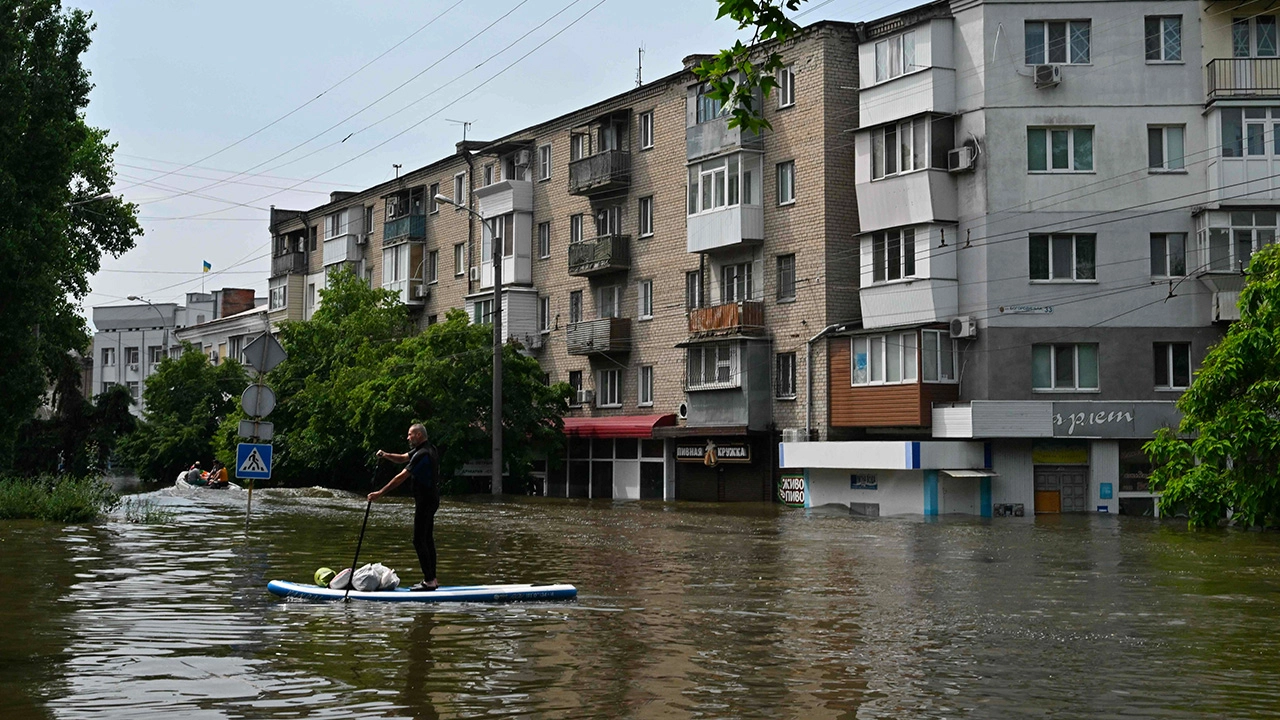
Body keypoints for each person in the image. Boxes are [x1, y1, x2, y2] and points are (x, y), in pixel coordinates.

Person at [369, 423, 440, 592]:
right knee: (427, 539)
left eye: (410, 435)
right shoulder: (427, 449)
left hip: (426, 501)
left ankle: (429, 581)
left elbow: (401, 477)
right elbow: (402, 458)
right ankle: (433, 579)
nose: (408, 437)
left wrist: (380, 493)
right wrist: (385, 455)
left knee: (418, 540)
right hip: (431, 499)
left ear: (419, 436)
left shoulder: (423, 454)